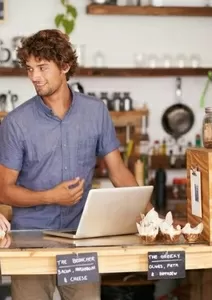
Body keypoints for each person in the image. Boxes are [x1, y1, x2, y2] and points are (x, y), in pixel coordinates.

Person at [0, 29, 149, 300]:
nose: (34, 76)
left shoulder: (95, 111)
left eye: (42, 67)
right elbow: (4, 190)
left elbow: (118, 171)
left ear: (65, 66)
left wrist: (151, 216)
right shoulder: (15, 123)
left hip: (81, 237)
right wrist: (50, 196)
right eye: (30, 68)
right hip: (30, 240)